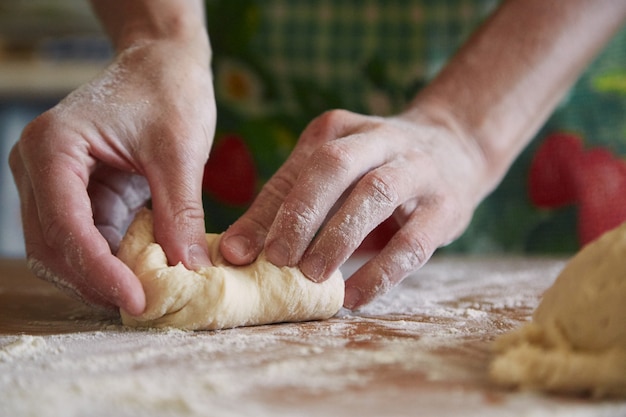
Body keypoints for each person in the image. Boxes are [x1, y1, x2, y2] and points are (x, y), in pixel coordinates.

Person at [9, 0, 626, 315]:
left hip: (527, 99)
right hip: (230, 120)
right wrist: (158, 38)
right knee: (205, 242)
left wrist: (464, 131)